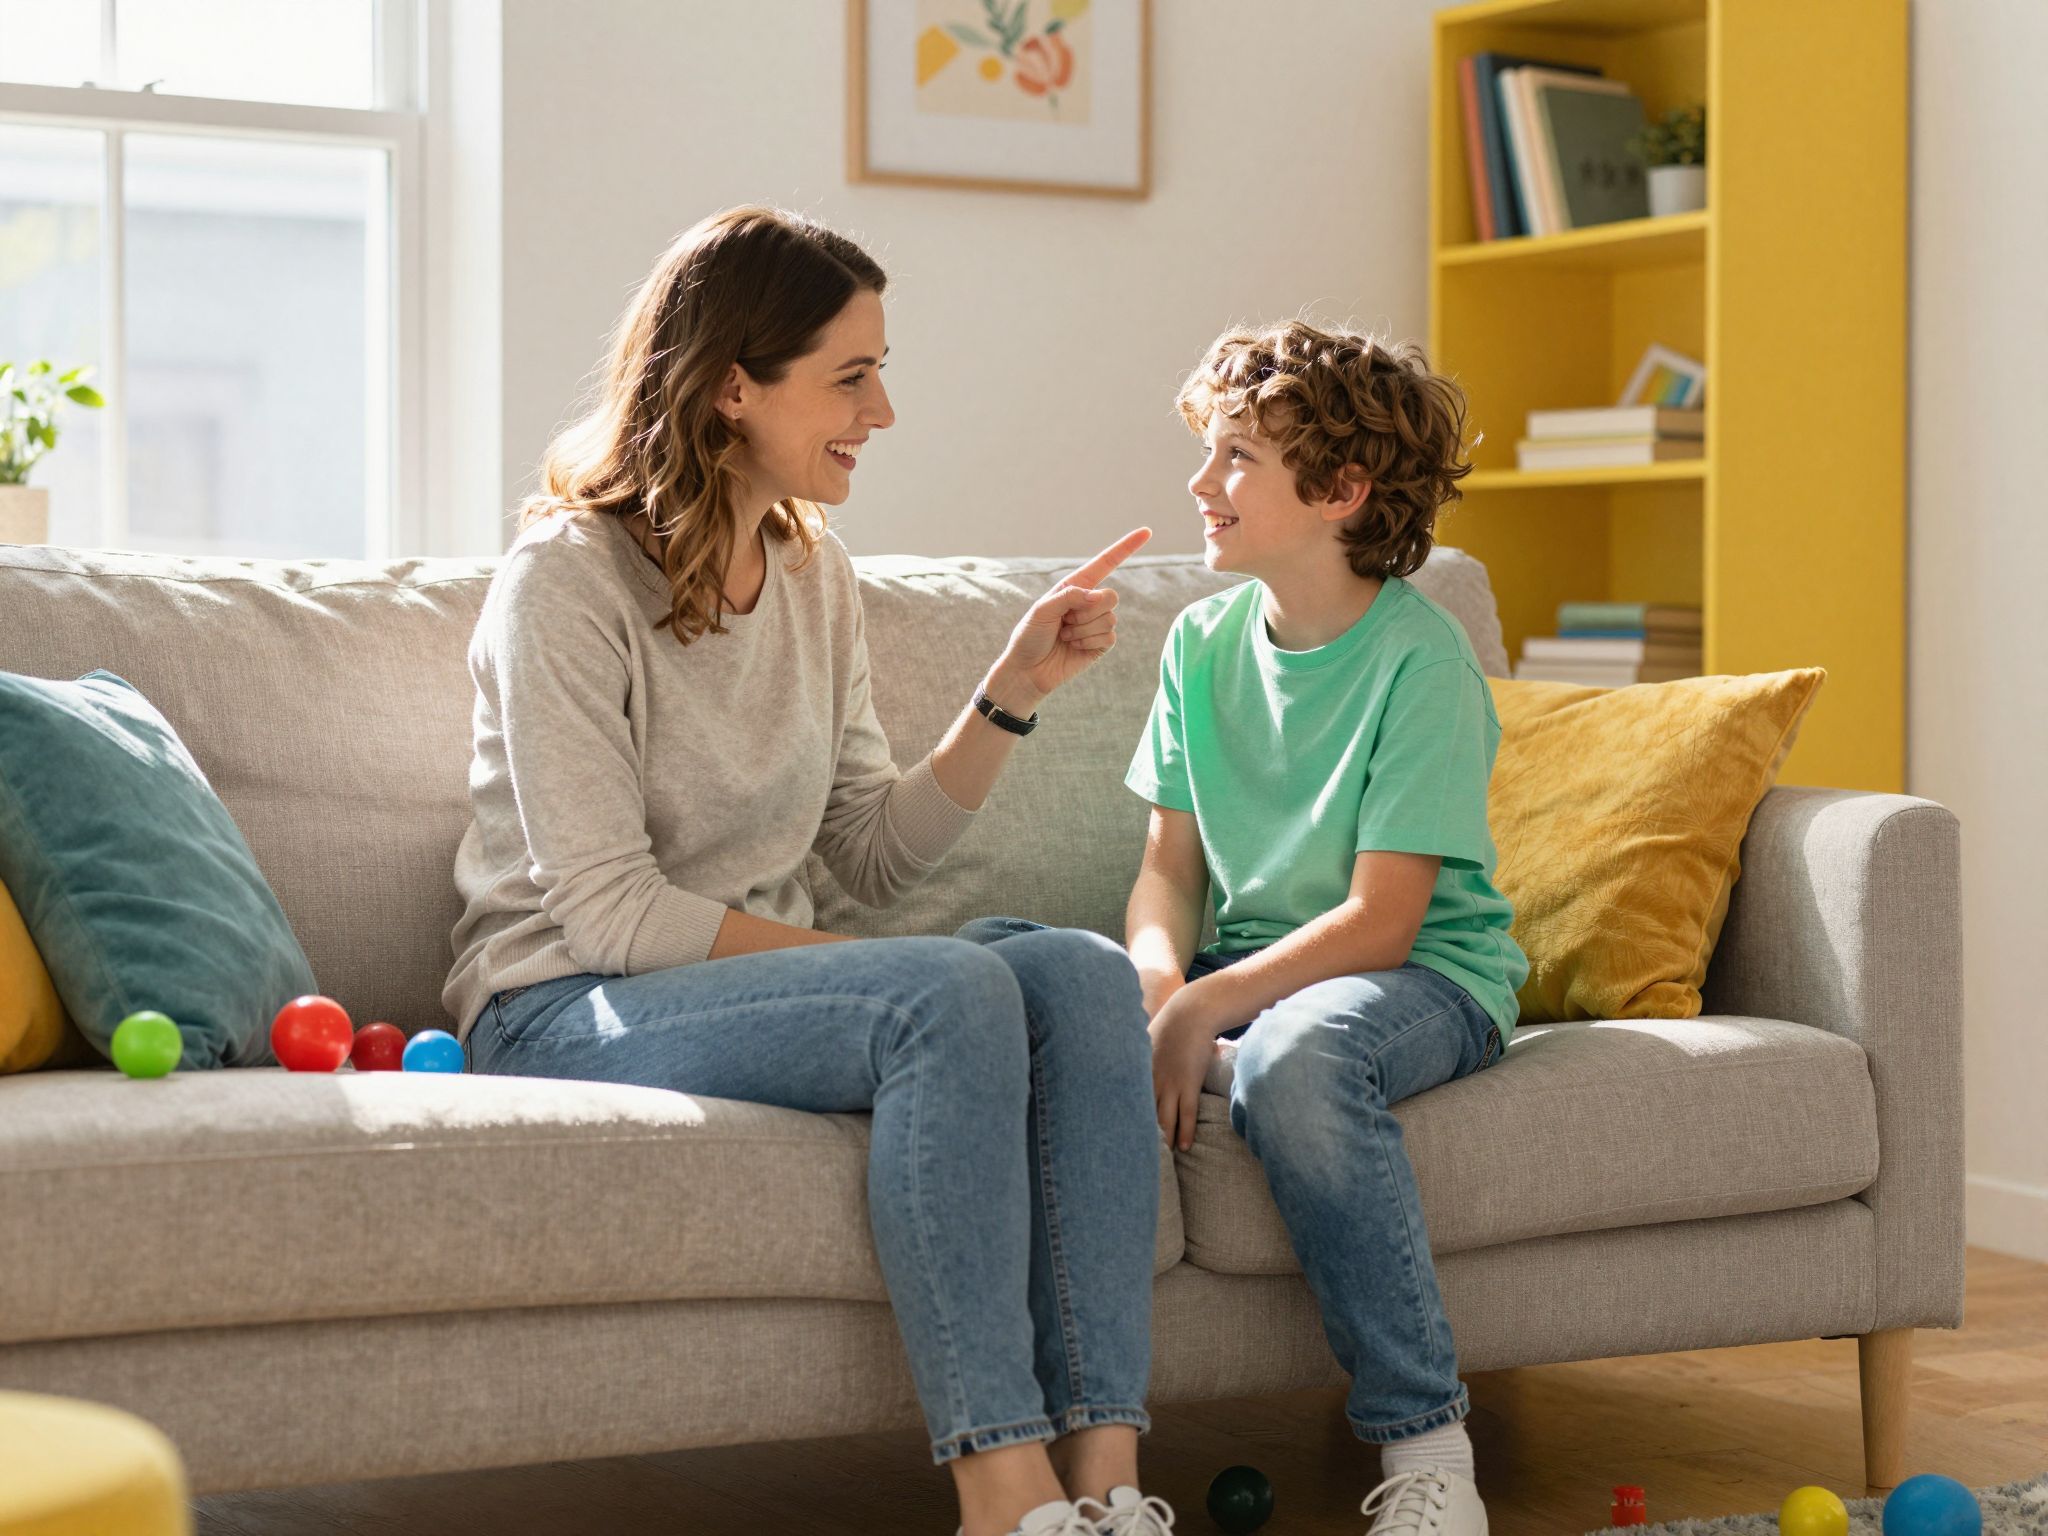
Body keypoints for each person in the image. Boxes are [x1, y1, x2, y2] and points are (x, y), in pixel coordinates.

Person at [442, 205, 1176, 1536]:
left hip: (734, 990)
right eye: (852, 375)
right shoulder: (563, 580)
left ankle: (1110, 1485)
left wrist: (1010, 690)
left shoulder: (809, 568)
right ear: (735, 384)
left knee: (1074, 973)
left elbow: (866, 852)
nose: (883, 411)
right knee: (950, 994)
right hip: (564, 1003)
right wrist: (905, 981)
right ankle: (1004, 1499)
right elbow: (608, 915)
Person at [1127, 320, 1530, 1536]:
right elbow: (1165, 874)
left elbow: (1383, 919)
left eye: (1236, 456)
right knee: (1026, 978)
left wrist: (1203, 1006)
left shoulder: (1420, 658)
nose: (1203, 485)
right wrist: (1155, 985)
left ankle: (1426, 1449)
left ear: (1342, 490)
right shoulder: (1198, 644)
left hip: (1418, 975)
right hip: (1243, 968)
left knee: (1298, 1056)